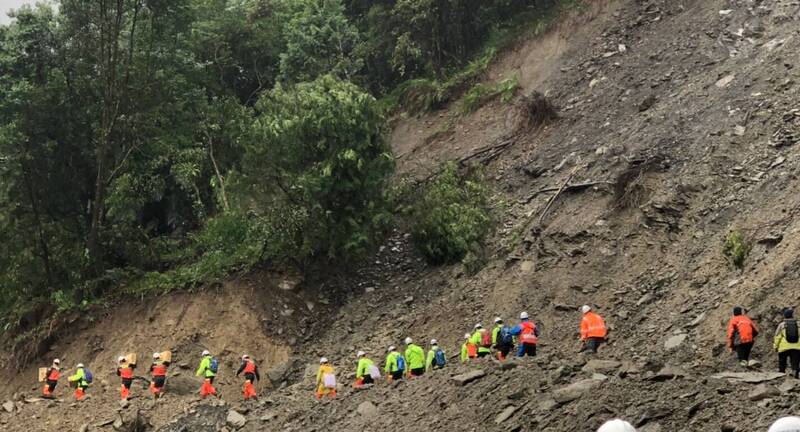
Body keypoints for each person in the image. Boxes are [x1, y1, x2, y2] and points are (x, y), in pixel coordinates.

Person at [773, 308, 800, 378]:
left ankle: (781, 375)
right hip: (796, 347)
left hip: (783, 347)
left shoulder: (782, 325)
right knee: (795, 362)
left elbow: (777, 336)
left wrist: (775, 346)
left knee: (782, 362)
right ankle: (795, 374)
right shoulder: (798, 324)